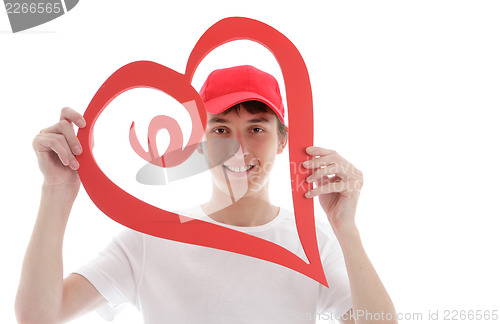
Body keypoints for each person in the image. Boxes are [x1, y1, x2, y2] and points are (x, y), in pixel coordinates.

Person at [15, 65, 397, 324]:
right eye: (220, 130)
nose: (239, 147)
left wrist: (346, 228)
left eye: (257, 128)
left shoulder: (314, 244)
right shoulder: (150, 239)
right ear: (197, 142)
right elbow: (38, 316)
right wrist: (57, 191)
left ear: (283, 141)